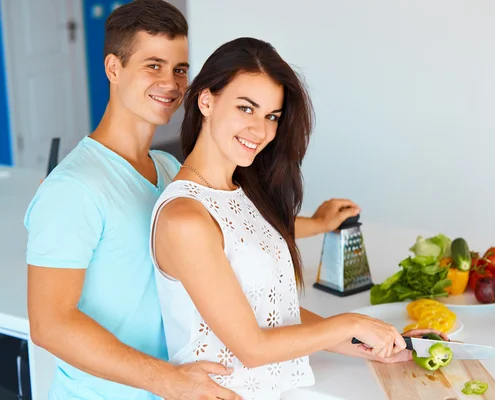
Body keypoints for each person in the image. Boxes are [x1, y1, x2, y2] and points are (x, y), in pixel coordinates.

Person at [23, 2, 366, 399]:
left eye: (180, 69)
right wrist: (167, 380)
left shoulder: (169, 169)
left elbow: (229, 237)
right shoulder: (73, 188)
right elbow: (50, 324)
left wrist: (317, 226)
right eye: (153, 65)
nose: (170, 82)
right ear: (114, 69)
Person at [150, 37, 447, 400]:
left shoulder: (245, 194)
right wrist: (351, 322)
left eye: (271, 116)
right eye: (246, 108)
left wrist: (375, 342)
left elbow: (274, 311)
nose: (260, 131)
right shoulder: (185, 218)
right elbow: (252, 347)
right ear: (207, 100)